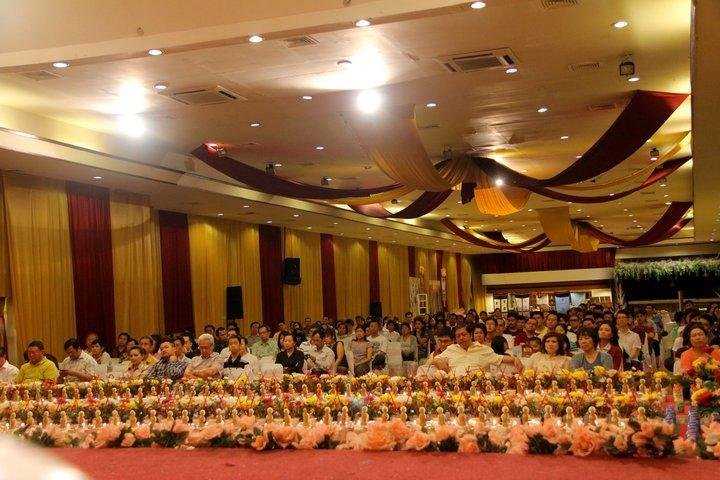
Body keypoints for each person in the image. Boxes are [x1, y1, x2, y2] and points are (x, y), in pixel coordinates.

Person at [431, 325, 523, 376]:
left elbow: (500, 358)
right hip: (454, 384)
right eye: (458, 336)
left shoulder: (483, 349)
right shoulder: (451, 349)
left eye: (464, 335)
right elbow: (434, 359)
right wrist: (438, 362)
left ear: (471, 335)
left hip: (479, 384)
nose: (461, 338)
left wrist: (514, 359)